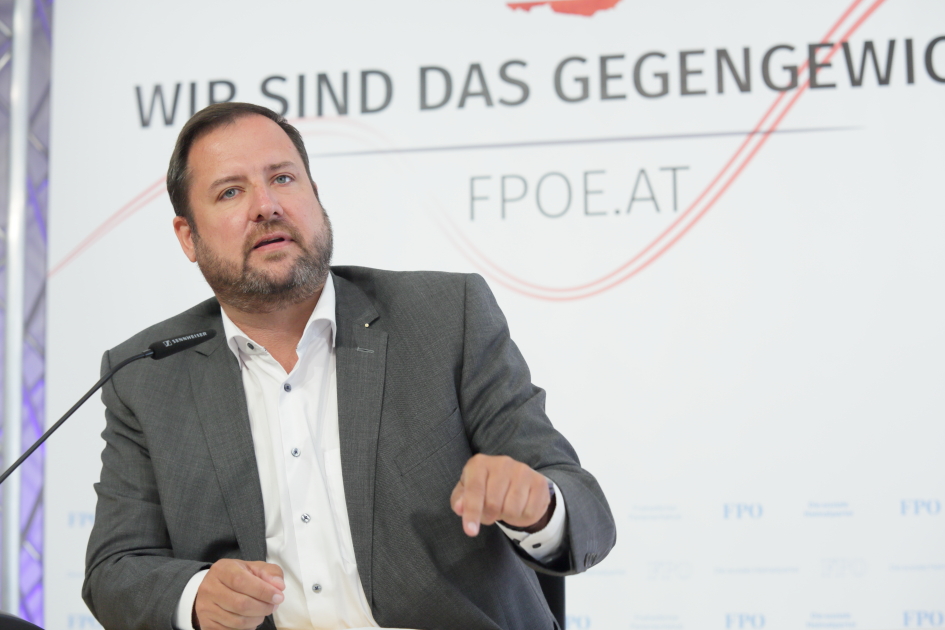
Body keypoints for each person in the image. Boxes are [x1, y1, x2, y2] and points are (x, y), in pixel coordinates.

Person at [82, 102, 615, 630]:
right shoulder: (147, 373)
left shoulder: (446, 317)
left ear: (315, 197)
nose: (266, 205)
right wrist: (197, 597)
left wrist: (539, 505)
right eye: (230, 192)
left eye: (283, 178)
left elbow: (587, 510)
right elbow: (114, 570)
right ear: (188, 237)